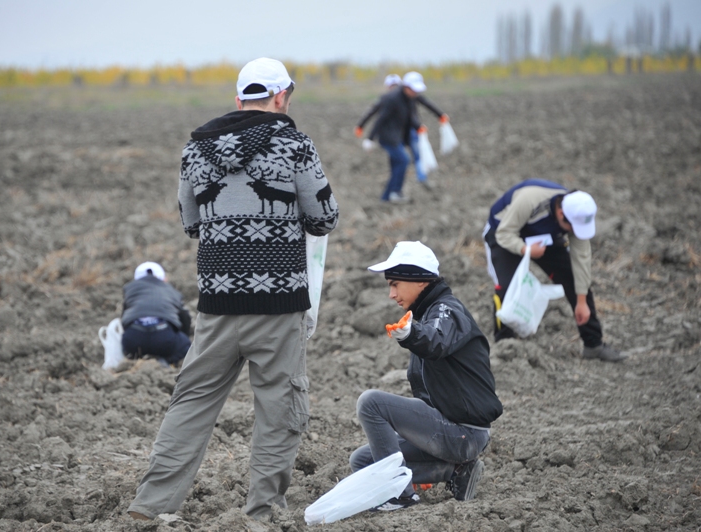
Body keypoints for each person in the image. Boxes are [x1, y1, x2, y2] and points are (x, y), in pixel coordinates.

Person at [127, 57, 339, 521]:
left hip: (218, 303)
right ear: (281, 97)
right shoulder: (295, 144)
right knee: (279, 408)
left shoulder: (195, 150)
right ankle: (262, 515)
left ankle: (151, 505)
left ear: (238, 98)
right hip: (280, 303)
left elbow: (189, 222)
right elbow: (324, 217)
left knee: (192, 401)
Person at [349, 241, 503, 511]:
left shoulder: (447, 309)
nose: (391, 294)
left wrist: (412, 335)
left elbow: (435, 341)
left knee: (371, 403)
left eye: (395, 284)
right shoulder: (427, 314)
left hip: (464, 432)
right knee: (362, 461)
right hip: (450, 431)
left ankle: (399, 495)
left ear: (419, 280)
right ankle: (454, 471)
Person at [483, 179, 626, 362]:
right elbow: (504, 233)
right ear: (560, 214)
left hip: (544, 238)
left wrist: (581, 300)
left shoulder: (576, 214)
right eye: (572, 228)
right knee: (507, 288)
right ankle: (505, 344)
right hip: (504, 233)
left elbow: (581, 259)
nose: (575, 232)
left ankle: (594, 344)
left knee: (573, 277)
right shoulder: (530, 199)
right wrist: (525, 249)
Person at [354, 71, 449, 201]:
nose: (416, 93)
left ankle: (387, 196)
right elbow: (380, 118)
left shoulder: (410, 97)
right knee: (404, 160)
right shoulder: (391, 99)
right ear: (406, 86)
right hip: (388, 137)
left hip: (398, 135)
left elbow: (410, 116)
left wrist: (419, 127)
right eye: (414, 90)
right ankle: (395, 192)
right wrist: (369, 139)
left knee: (397, 164)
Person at [120, 261, 192, 367]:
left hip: (133, 339)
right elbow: (185, 319)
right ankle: (165, 362)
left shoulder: (130, 289)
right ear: (163, 278)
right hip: (164, 338)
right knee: (186, 345)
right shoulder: (171, 291)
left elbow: (124, 318)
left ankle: (133, 362)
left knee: (125, 344)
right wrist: (182, 335)